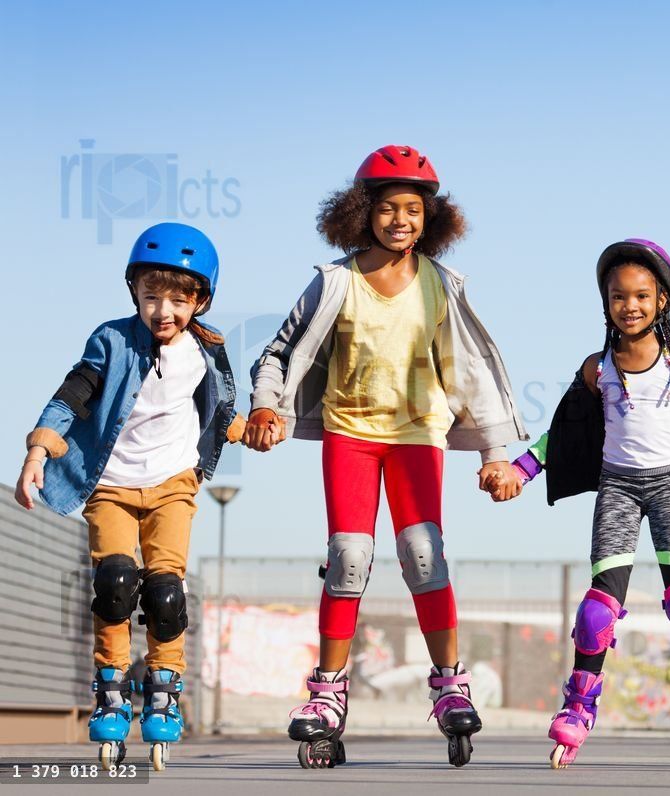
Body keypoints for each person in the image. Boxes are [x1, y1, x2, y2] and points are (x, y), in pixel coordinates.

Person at [243, 145, 526, 768]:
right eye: (389, 208)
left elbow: (471, 372)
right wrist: (267, 406)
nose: (401, 220)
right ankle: (327, 694)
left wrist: (496, 452)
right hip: (350, 430)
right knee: (349, 556)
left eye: (414, 210)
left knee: (424, 555)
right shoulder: (334, 281)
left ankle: (450, 681)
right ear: (362, 211)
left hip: (418, 434)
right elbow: (280, 351)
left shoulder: (440, 286)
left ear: (432, 217)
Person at [490, 238, 670, 769]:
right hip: (618, 488)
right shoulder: (594, 369)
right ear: (606, 303)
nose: (631, 305)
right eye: (619, 296)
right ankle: (579, 708)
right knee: (597, 611)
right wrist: (521, 470)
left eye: (642, 296)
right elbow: (563, 434)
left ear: (663, 301)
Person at [15, 222, 240, 771]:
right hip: (110, 484)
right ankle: (111, 686)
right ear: (134, 293)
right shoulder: (111, 340)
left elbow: (222, 409)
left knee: (165, 592)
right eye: (151, 296)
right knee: (114, 584)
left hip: (174, 484)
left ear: (200, 300)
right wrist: (40, 449)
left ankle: (163, 689)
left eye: (178, 300)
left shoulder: (209, 348)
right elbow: (73, 394)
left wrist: (252, 429)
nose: (163, 310)